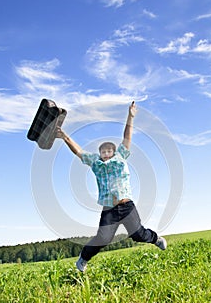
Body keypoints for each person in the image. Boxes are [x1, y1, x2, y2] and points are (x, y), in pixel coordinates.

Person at [56, 101, 167, 272]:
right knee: (103, 238)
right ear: (99, 154)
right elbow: (78, 151)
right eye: (103, 150)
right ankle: (83, 258)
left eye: (109, 150)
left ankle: (155, 239)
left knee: (138, 234)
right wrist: (65, 137)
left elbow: (127, 137)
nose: (106, 152)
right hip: (109, 209)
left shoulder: (121, 157)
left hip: (127, 205)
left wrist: (130, 116)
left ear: (114, 152)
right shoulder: (96, 163)